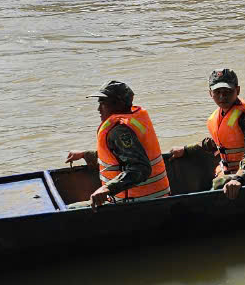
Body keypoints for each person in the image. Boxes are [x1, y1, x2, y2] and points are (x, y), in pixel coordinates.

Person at [171, 69, 245, 200]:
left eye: (227, 92)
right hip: (231, 175)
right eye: (217, 92)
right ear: (210, 93)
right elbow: (217, 143)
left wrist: (238, 178)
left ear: (237, 90)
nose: (222, 97)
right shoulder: (220, 114)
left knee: (216, 187)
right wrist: (186, 150)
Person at [65, 80, 171, 208]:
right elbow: (120, 156)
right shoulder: (132, 121)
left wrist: (107, 189)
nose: (98, 109)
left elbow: (140, 168)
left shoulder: (119, 130)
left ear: (118, 105)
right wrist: (86, 154)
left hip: (136, 202)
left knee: (69, 208)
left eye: (103, 104)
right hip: (157, 197)